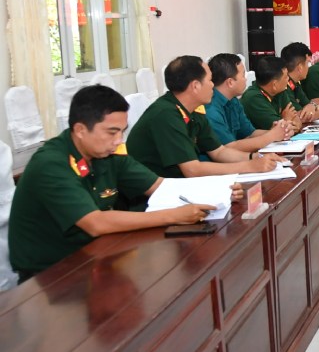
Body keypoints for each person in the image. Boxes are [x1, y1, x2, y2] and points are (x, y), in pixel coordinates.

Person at [9, 85, 236, 282]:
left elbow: (161, 185)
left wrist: (218, 191)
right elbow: (95, 223)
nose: (118, 141)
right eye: (111, 132)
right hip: (50, 275)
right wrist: (175, 215)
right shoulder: (51, 164)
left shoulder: (107, 154)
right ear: (80, 130)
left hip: (97, 254)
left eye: (121, 132)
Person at [127, 55, 283, 179]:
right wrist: (249, 166)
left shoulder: (195, 110)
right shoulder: (166, 114)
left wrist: (254, 157)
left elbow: (219, 152)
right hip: (155, 195)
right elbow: (192, 170)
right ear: (195, 86)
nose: (212, 85)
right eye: (209, 80)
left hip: (183, 184)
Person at [205, 53, 292, 154]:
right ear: (230, 82)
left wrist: (279, 131)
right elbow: (228, 148)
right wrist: (271, 136)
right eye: (243, 75)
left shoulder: (233, 101)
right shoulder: (211, 109)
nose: (246, 78)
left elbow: (250, 133)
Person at [240, 55, 302, 132]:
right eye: (286, 77)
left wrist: (295, 124)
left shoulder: (280, 90)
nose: (288, 79)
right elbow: (280, 130)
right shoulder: (253, 98)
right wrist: (286, 120)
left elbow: (295, 117)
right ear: (274, 85)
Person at [281, 42, 319, 119]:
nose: (309, 68)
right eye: (308, 63)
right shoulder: (284, 86)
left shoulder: (296, 84)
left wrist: (312, 106)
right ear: (300, 67)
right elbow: (301, 117)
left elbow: (310, 106)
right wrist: (315, 110)